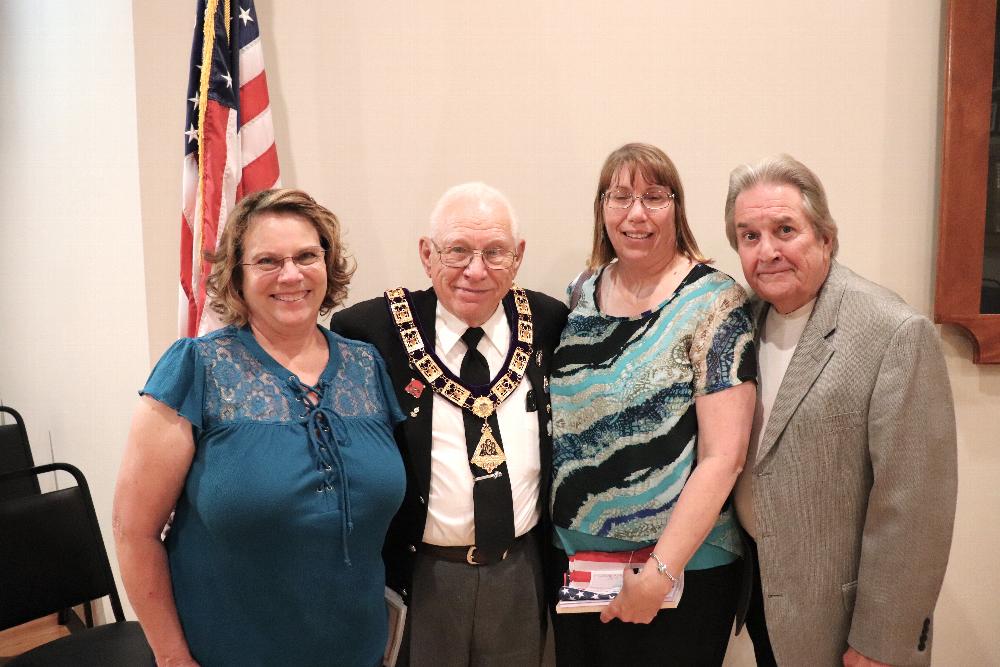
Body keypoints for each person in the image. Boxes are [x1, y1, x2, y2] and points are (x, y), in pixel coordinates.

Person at [113, 189, 406, 666]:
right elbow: (133, 531)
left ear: (328, 265)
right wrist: (171, 658)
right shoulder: (197, 368)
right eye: (267, 260)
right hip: (230, 650)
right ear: (237, 275)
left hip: (358, 648)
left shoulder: (366, 366)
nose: (290, 275)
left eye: (306, 256)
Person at [726, 154, 958, 667]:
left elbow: (915, 510)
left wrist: (880, 644)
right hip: (765, 595)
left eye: (785, 229)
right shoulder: (741, 320)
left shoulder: (893, 333)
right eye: (749, 236)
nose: (767, 251)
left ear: (825, 237)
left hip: (845, 621)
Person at [329, 182, 568, 666]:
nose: (475, 270)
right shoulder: (371, 332)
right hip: (421, 574)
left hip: (521, 571)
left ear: (518, 256)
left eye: (495, 252)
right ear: (426, 254)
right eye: (457, 250)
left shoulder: (548, 321)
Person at [549, 143, 757, 666]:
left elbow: (723, 457)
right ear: (602, 208)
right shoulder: (581, 291)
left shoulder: (713, 301)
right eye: (619, 197)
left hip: (682, 569)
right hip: (575, 563)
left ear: (677, 208)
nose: (635, 213)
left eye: (653, 197)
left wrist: (660, 571)